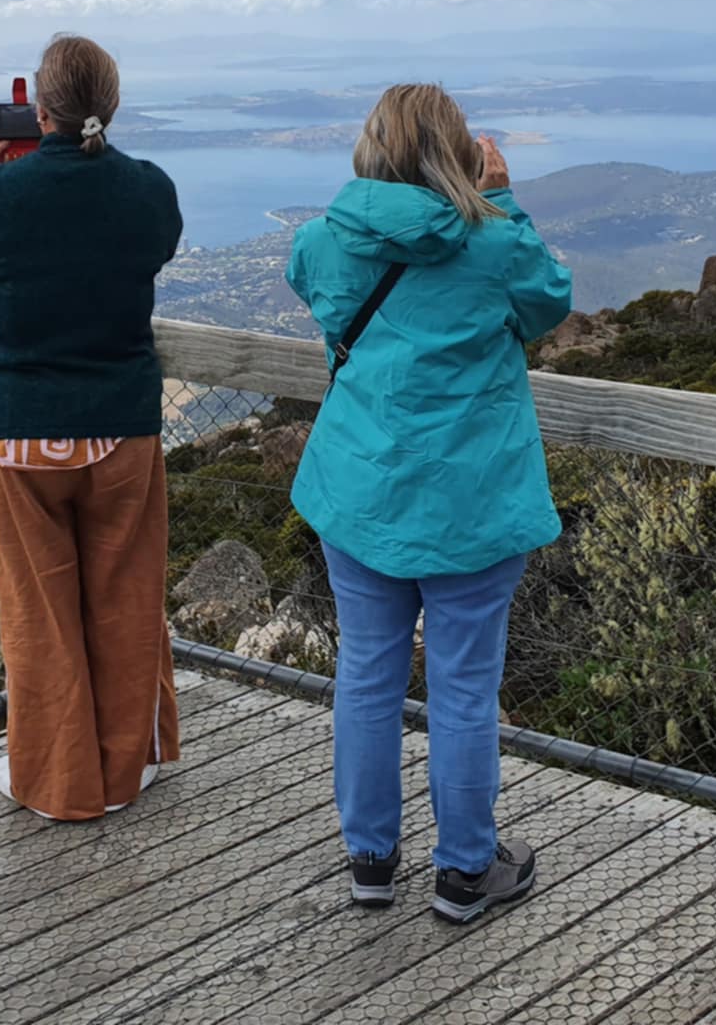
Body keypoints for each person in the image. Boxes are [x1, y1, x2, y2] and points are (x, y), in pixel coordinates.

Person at [285, 83, 572, 923]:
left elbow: (319, 287)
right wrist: (502, 196)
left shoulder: (324, 241)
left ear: (372, 146)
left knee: (367, 677)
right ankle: (463, 872)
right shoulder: (494, 245)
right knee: (462, 689)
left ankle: (369, 862)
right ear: (459, 153)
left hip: (361, 494)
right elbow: (549, 301)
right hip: (473, 507)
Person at [0, 34, 184, 822]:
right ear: (114, 104)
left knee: (39, 611)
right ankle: (129, 766)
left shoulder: (3, 193)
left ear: (37, 112)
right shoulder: (149, 190)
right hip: (122, 429)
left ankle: (61, 784)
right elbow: (151, 245)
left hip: (20, 433)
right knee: (124, 598)